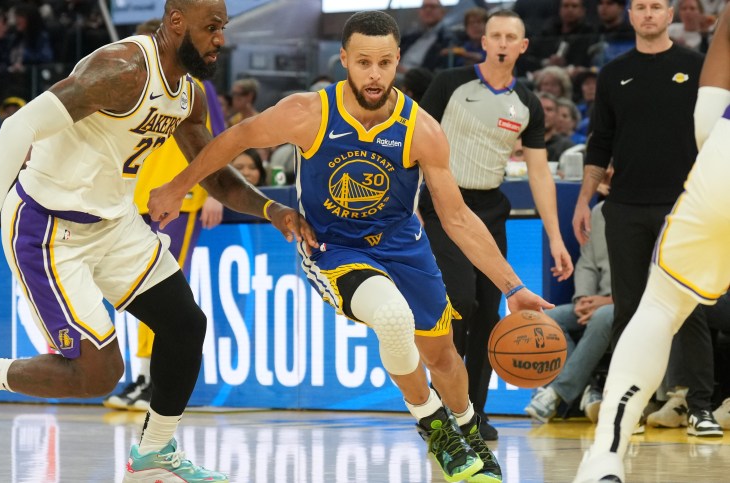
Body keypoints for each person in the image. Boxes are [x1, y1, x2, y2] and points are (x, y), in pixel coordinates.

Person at [149, 11, 556, 483]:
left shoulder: (421, 129)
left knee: (443, 357)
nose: (374, 74)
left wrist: (513, 287)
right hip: (334, 248)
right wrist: (179, 186)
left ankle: (466, 431)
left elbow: (458, 217)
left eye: (384, 63)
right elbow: (233, 139)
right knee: (392, 318)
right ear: (344, 60)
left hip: (405, 247)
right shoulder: (307, 112)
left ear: (398, 60)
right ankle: (435, 426)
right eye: (363, 62)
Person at [0, 2, 310, 482]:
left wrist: (272, 209)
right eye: (211, 28)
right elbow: (20, 125)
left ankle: (152, 457)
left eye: (223, 29)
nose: (220, 40)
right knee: (98, 374)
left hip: (115, 222)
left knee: (185, 325)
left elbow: (215, 176)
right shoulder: (121, 70)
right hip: (48, 228)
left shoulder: (186, 95)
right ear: (175, 23)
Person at [573, 3, 730, 481]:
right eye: (639, 5)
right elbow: (600, 141)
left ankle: (607, 453)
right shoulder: (615, 72)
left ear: (669, 12)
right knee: (635, 308)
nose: (647, 13)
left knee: (664, 309)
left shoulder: (693, 64)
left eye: (655, 4)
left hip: (709, 170)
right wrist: (584, 199)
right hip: (634, 203)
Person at [418, 9, 574, 441]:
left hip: (489, 208)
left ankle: (473, 413)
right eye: (496, 36)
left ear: (523, 46)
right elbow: (411, 138)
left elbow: (541, 174)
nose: (503, 43)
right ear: (483, 42)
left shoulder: (528, 102)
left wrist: (557, 237)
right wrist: (409, 200)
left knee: (490, 315)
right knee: (461, 301)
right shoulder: (449, 84)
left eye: (512, 37)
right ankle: (442, 404)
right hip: (441, 203)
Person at [103, 16, 227, 411]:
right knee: (135, 295)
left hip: (175, 204)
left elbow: (220, 144)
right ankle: (141, 377)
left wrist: (214, 193)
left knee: (159, 293)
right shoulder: (128, 94)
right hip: (131, 202)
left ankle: (148, 380)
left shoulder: (196, 89)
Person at [525, 201, 613, 424]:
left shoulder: (653, 210)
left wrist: (610, 300)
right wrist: (583, 298)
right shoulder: (600, 211)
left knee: (603, 317)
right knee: (546, 319)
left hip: (632, 303)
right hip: (596, 300)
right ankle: (588, 391)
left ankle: (555, 394)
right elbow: (587, 263)